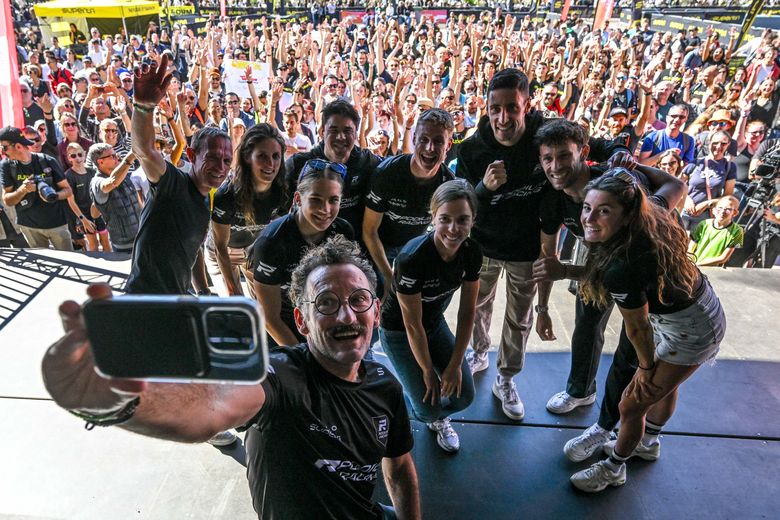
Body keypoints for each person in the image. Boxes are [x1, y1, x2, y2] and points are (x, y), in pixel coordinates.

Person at [41, 237, 421, 519]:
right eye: (326, 303)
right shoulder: (282, 377)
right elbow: (211, 408)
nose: (346, 316)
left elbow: (400, 467)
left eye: (358, 300)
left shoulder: (384, 385)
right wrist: (119, 405)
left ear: (375, 311)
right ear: (302, 321)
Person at [455, 68, 627, 421]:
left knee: (519, 317)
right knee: (478, 307)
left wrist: (621, 149)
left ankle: (506, 377)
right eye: (495, 108)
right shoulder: (472, 149)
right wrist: (484, 189)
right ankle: (479, 353)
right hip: (483, 245)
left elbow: (584, 141)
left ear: (527, 106)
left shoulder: (542, 134)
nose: (503, 118)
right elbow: (461, 206)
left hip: (527, 247)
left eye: (512, 108)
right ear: (485, 107)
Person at [568, 170, 726, 493]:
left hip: (689, 329)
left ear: (625, 216)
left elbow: (637, 328)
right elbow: (677, 186)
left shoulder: (622, 266)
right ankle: (649, 441)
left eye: (604, 210)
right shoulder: (647, 211)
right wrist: (636, 163)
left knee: (632, 403)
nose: (590, 218)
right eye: (587, 207)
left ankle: (614, 468)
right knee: (664, 388)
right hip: (697, 311)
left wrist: (645, 368)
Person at [531, 119, 685, 420]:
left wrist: (634, 164)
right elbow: (548, 258)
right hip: (601, 260)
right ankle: (580, 391)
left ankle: (614, 420)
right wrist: (542, 308)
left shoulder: (618, 183)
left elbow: (674, 188)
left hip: (646, 265)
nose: (555, 166)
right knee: (586, 324)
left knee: (633, 343)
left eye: (564, 156)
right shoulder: (553, 199)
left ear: (583, 152)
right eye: (548, 158)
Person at [379, 180, 480, 453]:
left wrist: (455, 365)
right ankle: (410, 408)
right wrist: (427, 371)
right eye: (444, 219)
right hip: (399, 332)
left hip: (434, 324)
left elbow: (468, 311)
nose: (453, 229)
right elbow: (411, 324)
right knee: (425, 408)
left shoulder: (471, 253)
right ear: (433, 217)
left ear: (473, 220)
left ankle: (433, 410)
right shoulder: (413, 257)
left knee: (464, 397)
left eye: (462, 220)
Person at [125, 55, 232, 296]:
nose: (220, 167)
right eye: (212, 157)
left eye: (227, 161)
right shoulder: (173, 183)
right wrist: (143, 106)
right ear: (192, 155)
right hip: (145, 299)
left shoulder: (206, 200)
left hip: (177, 298)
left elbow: (192, 253)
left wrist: (202, 290)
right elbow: (144, 150)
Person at [251, 159, 353, 347]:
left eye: (333, 200)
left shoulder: (343, 232)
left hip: (326, 323)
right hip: (282, 331)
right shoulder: (272, 242)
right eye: (315, 199)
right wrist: (303, 357)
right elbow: (269, 316)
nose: (325, 209)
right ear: (298, 199)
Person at [363, 108, 455, 299]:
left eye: (438, 141)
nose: (430, 148)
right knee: (379, 298)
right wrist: (389, 277)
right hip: (381, 244)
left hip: (414, 245)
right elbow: (369, 230)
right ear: (414, 139)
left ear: (448, 145)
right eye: (423, 139)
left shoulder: (447, 183)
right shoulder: (387, 174)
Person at [207, 124, 289, 297]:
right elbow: (220, 246)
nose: (271, 164)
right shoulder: (227, 194)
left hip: (253, 251)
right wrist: (233, 291)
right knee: (237, 311)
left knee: (263, 309)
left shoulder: (282, 191)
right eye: (262, 156)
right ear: (246, 157)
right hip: (222, 254)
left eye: (276, 156)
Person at [285, 99, 382, 240]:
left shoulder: (366, 162)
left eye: (348, 130)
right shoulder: (299, 164)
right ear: (322, 131)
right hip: (308, 247)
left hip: (353, 247)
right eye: (334, 130)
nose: (341, 137)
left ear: (355, 134)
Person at [0, 126, 73, 250]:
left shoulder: (47, 160)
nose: (3, 152)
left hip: (56, 223)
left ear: (18, 146)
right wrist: (23, 190)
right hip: (29, 226)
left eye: (4, 147)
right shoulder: (7, 166)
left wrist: (54, 195)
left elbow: (68, 190)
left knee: (71, 261)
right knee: (45, 263)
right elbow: (7, 200)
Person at [88, 143, 140, 254]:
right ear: (100, 162)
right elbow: (111, 183)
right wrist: (130, 157)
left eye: (116, 154)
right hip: (124, 246)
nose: (117, 158)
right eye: (112, 156)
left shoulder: (123, 175)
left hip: (142, 238)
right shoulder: (97, 182)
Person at [680, 130, 737, 231]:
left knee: (692, 246)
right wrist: (686, 199)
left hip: (706, 214)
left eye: (723, 144)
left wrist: (707, 203)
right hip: (684, 211)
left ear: (728, 145)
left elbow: (727, 197)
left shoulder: (729, 167)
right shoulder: (696, 163)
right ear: (709, 142)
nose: (719, 147)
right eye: (715, 143)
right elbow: (678, 184)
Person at [63, 142, 108, 252]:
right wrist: (83, 220)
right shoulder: (68, 175)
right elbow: (71, 201)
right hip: (84, 215)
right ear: (69, 158)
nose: (77, 158)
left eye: (79, 154)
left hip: (99, 213)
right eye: (73, 156)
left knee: (106, 243)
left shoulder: (92, 172)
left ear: (84, 154)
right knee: (93, 246)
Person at [688, 195, 744, 267]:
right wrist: (690, 262)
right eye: (720, 208)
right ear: (713, 210)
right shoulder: (704, 224)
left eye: (728, 209)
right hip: (693, 266)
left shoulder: (737, 231)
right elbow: (690, 248)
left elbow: (723, 258)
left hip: (714, 270)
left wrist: (698, 264)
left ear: (735, 213)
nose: (722, 211)